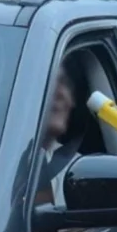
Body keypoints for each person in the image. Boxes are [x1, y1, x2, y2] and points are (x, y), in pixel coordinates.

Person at [34, 64, 79, 206]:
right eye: (48, 82)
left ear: (72, 102)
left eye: (63, 82)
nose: (59, 93)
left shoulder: (78, 171)